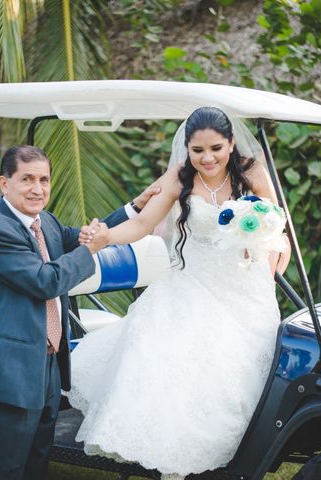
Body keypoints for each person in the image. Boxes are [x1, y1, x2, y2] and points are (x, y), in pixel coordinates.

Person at [67, 107, 291, 479]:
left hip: (245, 289)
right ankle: (166, 451)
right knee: (168, 356)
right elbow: (142, 223)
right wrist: (106, 237)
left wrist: (266, 268)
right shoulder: (179, 177)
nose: (207, 159)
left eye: (216, 148)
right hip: (192, 283)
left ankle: (231, 453)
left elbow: (278, 229)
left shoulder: (252, 172)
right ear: (186, 148)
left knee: (234, 373)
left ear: (231, 143)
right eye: (197, 150)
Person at [0, 145, 159, 480]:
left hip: (46, 367)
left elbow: (82, 238)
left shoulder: (47, 224)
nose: (37, 188)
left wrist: (133, 208)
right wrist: (91, 249)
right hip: (9, 373)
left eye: (44, 179)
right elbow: (47, 281)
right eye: (26, 179)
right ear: (4, 183)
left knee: (35, 466)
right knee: (1, 470)